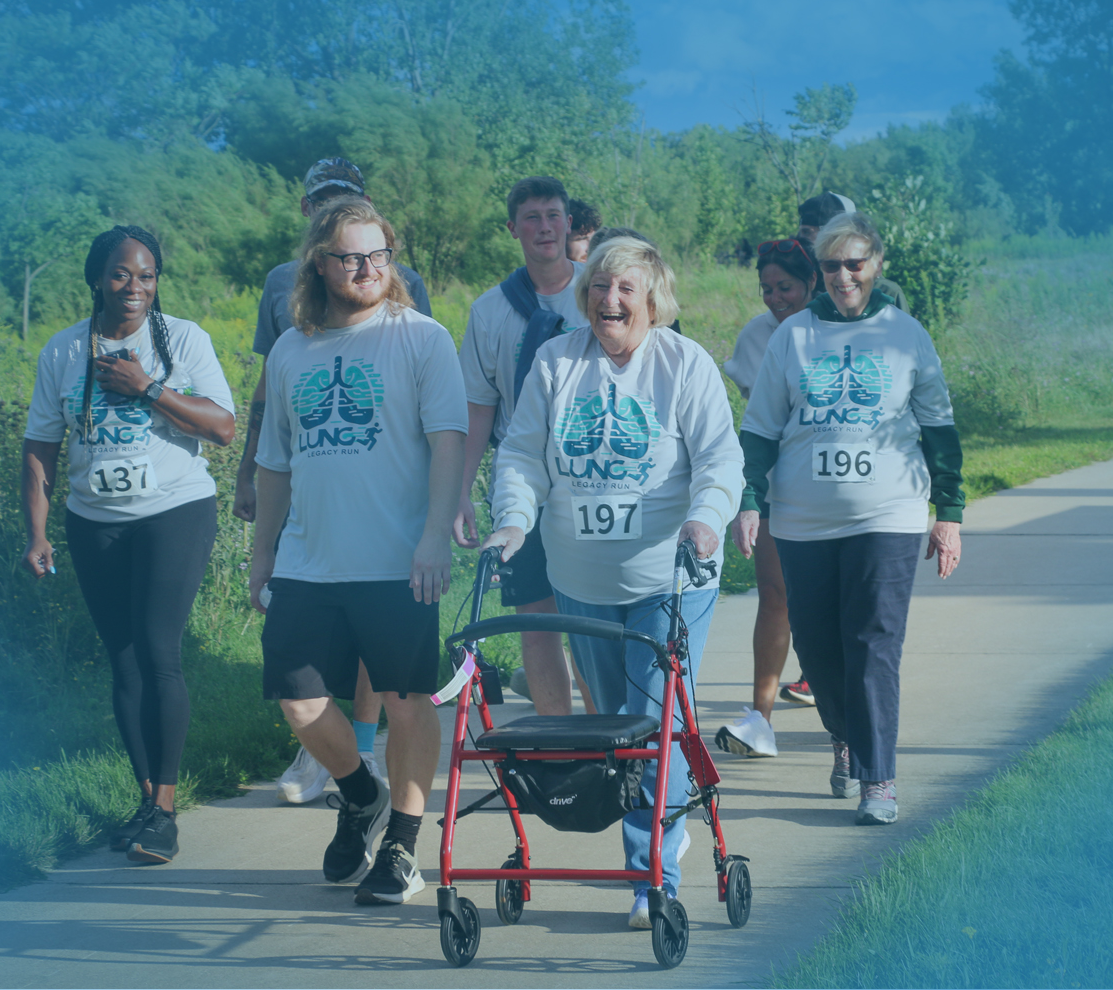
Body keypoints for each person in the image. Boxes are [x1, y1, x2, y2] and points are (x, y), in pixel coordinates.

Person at [480, 236, 743, 929]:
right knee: (617, 726)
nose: (609, 299)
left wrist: (707, 518)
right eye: (599, 286)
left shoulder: (684, 364)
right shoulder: (556, 361)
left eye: (625, 288)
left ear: (653, 300)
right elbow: (521, 455)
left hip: (671, 579)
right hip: (582, 579)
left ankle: (652, 874)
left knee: (658, 720)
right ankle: (656, 834)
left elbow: (720, 459)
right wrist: (512, 519)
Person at [248, 198, 466, 904]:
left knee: (406, 700)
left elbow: (448, 444)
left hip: (398, 559)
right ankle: (359, 791)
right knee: (297, 697)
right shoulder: (292, 348)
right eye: (349, 256)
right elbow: (274, 464)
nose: (366, 268)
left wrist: (435, 535)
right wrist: (261, 557)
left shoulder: (420, 338)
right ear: (320, 261)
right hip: (308, 559)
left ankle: (402, 842)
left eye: (379, 255)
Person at [734, 210, 964, 827]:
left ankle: (878, 777)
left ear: (876, 264)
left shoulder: (906, 334)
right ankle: (843, 735)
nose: (843, 276)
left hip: (889, 512)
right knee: (820, 646)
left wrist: (950, 513)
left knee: (874, 643)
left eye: (854, 264)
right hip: (804, 519)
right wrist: (750, 500)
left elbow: (939, 429)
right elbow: (758, 430)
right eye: (831, 266)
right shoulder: (794, 337)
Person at [21, 225, 237, 865]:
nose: (134, 287)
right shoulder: (62, 353)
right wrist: (34, 530)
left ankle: (165, 813)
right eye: (121, 274)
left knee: (158, 649)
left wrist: (147, 387)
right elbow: (41, 446)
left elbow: (222, 427)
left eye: (145, 275)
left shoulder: (185, 339)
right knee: (123, 660)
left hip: (175, 510)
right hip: (95, 521)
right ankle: (146, 801)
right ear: (96, 278)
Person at [233, 158, 431, 805]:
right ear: (306, 211)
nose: (332, 206)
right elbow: (273, 382)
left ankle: (366, 745)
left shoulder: (405, 286)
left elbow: (418, 386)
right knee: (301, 665)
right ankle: (330, 755)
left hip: (385, 498)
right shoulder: (278, 284)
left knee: (382, 650)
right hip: (308, 476)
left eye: (344, 198)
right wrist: (250, 471)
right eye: (323, 199)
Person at [453, 176, 588, 716]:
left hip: (593, 474)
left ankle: (610, 745)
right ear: (512, 229)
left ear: (570, 223)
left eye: (553, 215)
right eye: (530, 217)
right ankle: (559, 742)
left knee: (591, 622)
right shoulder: (490, 311)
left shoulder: (599, 292)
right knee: (537, 618)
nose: (544, 227)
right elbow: (479, 407)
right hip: (525, 479)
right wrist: (461, 493)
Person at [714, 236, 822, 759]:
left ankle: (848, 716)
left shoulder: (837, 329)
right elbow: (758, 423)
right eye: (767, 289)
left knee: (828, 605)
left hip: (834, 493)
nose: (776, 297)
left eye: (786, 287)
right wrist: (749, 493)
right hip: (779, 488)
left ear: (811, 284)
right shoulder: (756, 338)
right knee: (775, 596)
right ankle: (760, 719)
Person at [798, 190, 908, 311]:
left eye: (807, 232)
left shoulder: (886, 293)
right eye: (831, 266)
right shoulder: (800, 285)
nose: (800, 240)